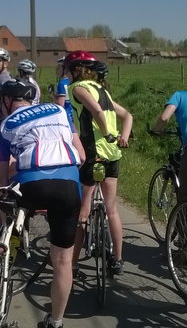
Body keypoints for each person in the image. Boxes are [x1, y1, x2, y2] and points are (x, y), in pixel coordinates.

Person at [0, 78, 85, 328]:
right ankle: (56, 322)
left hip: (30, 184)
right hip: (69, 186)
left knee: (5, 203)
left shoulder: (5, 125)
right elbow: (81, 156)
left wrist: (0, 208)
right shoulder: (60, 110)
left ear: (7, 102)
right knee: (62, 261)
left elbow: (1, 177)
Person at [65, 50, 133, 277]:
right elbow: (128, 115)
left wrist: (106, 133)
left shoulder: (77, 88)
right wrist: (122, 137)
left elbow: (96, 113)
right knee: (111, 209)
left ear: (75, 71)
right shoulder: (102, 89)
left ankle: (72, 265)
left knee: (83, 213)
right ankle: (118, 260)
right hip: (113, 155)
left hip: (94, 154)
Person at [53, 56, 74, 125]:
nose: (56, 70)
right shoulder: (73, 81)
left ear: (64, 69)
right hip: (75, 115)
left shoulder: (62, 83)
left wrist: (53, 98)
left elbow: (60, 104)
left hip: (66, 116)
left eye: (58, 68)